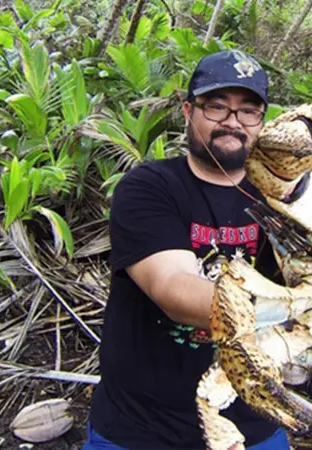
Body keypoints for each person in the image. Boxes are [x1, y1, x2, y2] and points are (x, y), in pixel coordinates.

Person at [84, 49, 290, 450]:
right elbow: (175, 290)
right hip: (140, 429)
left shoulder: (284, 198)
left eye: (248, 110)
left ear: (261, 122)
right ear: (188, 112)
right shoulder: (149, 186)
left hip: (254, 422)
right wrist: (305, 307)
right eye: (217, 106)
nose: (233, 121)